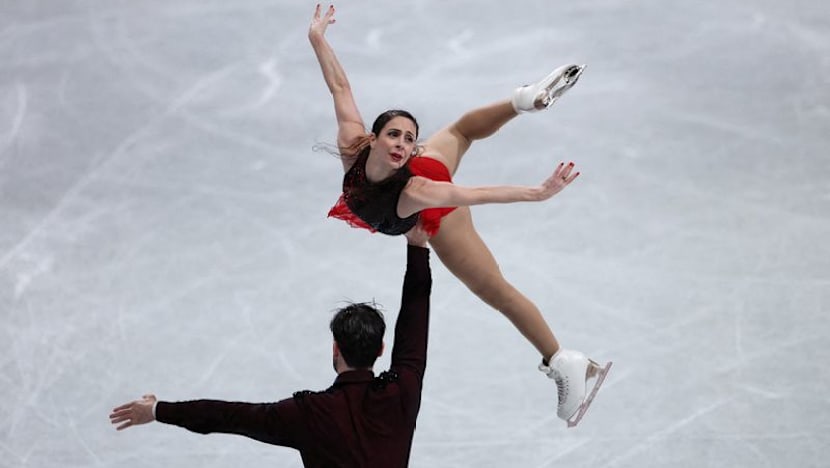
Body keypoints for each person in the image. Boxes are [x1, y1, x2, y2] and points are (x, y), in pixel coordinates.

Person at [308, 4, 611, 427]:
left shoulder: (417, 189)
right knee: (461, 132)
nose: (400, 143)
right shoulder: (352, 145)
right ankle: (522, 100)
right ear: (374, 138)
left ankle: (563, 360)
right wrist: (318, 39)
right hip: (425, 168)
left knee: (495, 290)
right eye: (394, 135)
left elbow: (471, 194)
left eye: (408, 139)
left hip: (434, 206)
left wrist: (536, 193)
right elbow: (340, 88)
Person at [109, 226, 433, 468]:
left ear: (335, 348)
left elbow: (226, 416)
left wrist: (156, 410)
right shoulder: (401, 391)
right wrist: (417, 246)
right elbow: (415, 322)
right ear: (380, 349)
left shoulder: (309, 414)